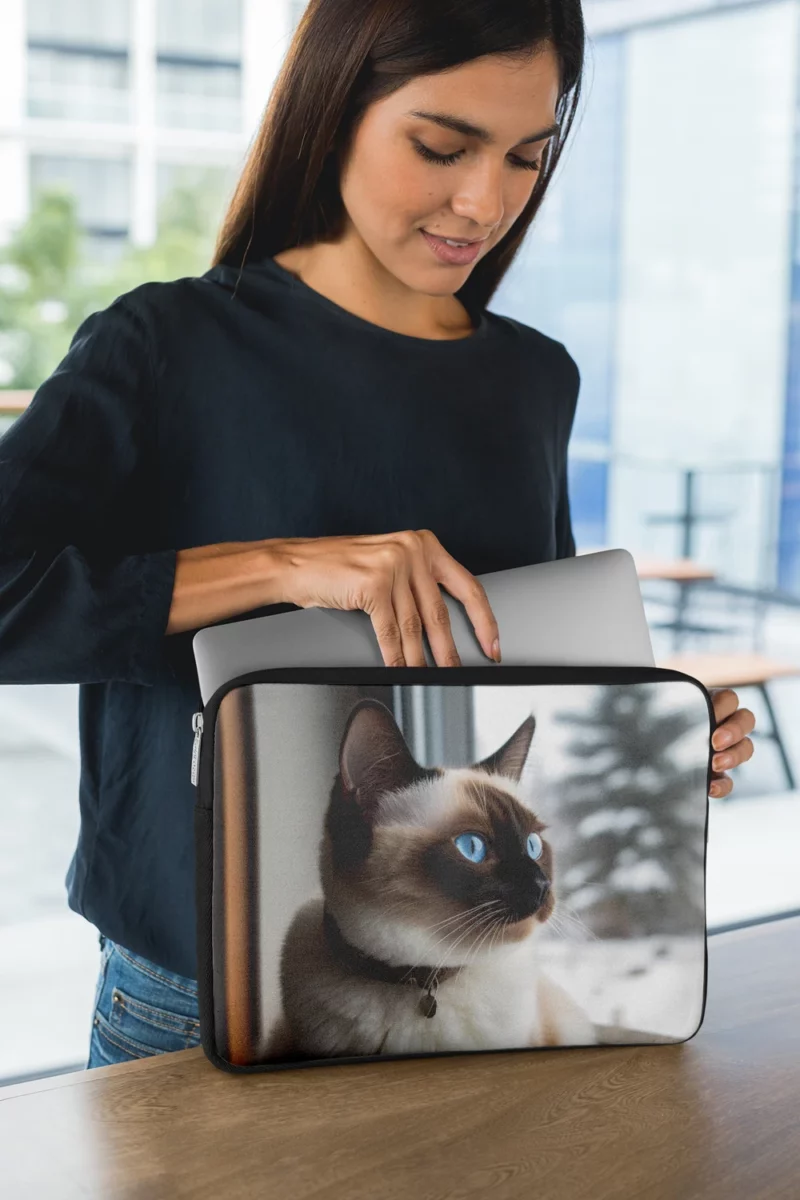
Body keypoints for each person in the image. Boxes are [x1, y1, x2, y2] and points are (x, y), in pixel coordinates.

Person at [0, 0, 755, 1070]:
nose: (482, 201)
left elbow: (519, 661)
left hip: (476, 999)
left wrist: (663, 726)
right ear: (333, 108)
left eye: (524, 158)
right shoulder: (163, 345)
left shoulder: (535, 379)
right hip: (193, 1000)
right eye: (440, 147)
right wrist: (289, 567)